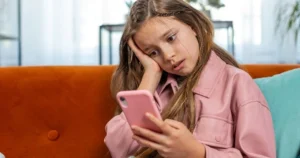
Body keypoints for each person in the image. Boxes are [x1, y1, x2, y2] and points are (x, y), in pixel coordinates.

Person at [104, 0, 276, 157]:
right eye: (153, 52)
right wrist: (150, 76)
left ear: (192, 25)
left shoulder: (238, 84)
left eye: (171, 38)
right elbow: (118, 147)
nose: (168, 56)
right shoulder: (156, 94)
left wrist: (198, 153)